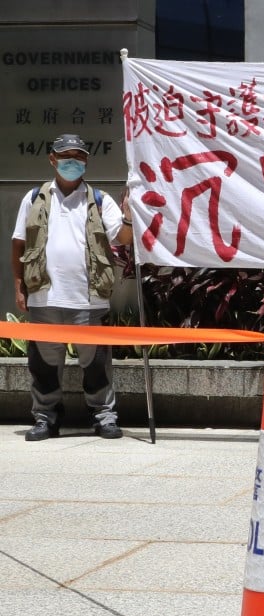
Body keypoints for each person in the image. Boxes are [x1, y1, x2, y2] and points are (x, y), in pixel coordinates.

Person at [10, 133, 134, 441]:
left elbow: (123, 238)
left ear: (87, 161)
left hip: (89, 300)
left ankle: (104, 417)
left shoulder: (100, 199)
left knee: (96, 364)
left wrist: (130, 217)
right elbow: (18, 244)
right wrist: (19, 286)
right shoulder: (33, 198)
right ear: (52, 159)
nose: (73, 162)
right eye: (66, 156)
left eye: (79, 156)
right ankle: (45, 418)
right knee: (44, 365)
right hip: (44, 297)